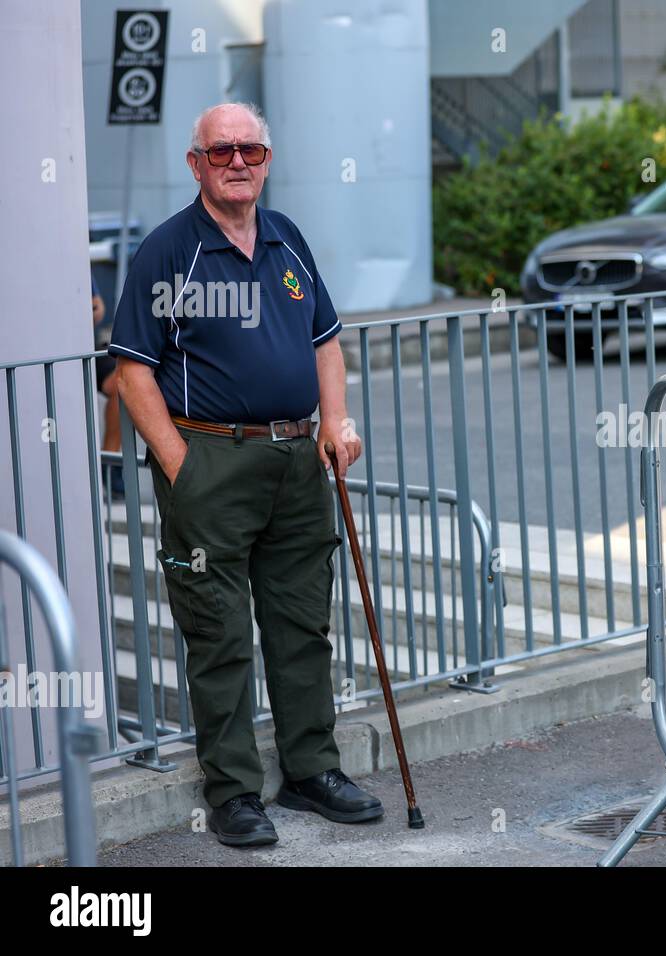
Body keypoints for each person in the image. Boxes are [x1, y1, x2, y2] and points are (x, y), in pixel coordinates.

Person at [108, 102, 382, 848]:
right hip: (210, 461)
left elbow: (326, 343)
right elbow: (131, 373)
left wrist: (337, 422)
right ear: (195, 164)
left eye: (251, 151)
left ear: (266, 160)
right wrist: (181, 467)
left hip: (298, 462)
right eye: (221, 150)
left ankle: (310, 771)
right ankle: (232, 791)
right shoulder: (169, 252)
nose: (238, 162)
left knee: (302, 624)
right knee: (218, 633)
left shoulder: (288, 237)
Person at [91, 275, 124, 499]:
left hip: (87, 346)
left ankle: (110, 464)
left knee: (121, 384)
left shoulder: (82, 267)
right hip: (55, 350)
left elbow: (97, 307)